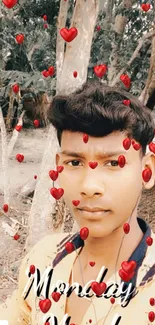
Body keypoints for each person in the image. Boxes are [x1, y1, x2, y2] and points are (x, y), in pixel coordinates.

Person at [0, 79, 155, 325]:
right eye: (74, 163)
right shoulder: (42, 259)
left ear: (147, 171)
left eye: (114, 163)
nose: (89, 187)